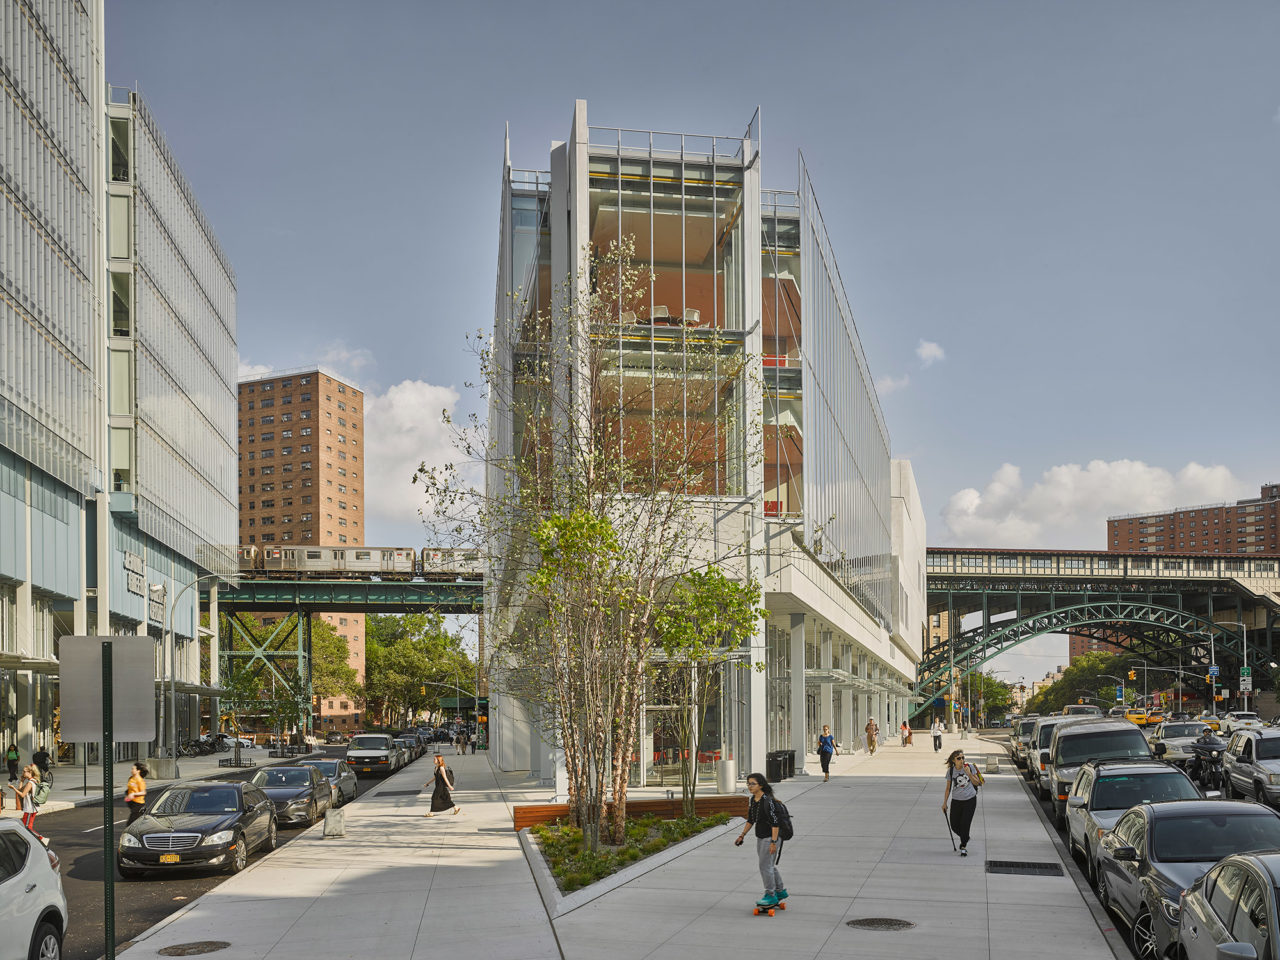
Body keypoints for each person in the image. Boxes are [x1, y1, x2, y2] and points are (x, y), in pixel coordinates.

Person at [733, 772, 788, 910]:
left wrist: (773, 842)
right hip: (762, 837)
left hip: (770, 837)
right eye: (748, 783)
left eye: (753, 784)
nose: (749, 786)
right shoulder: (754, 800)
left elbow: (775, 824)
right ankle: (780, 891)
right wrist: (742, 835)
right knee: (769, 865)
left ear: (761, 785)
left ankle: (770, 894)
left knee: (765, 867)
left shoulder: (767, 801)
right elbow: (751, 819)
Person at [942, 748, 983, 856]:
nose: (962, 760)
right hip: (956, 801)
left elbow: (978, 783)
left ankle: (963, 845)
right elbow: (948, 788)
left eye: (963, 757)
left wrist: (969, 774)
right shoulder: (951, 771)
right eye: (959, 758)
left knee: (965, 823)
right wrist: (944, 803)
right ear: (953, 760)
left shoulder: (970, 767)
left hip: (970, 800)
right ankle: (965, 837)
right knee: (954, 825)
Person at [11, 764, 44, 843]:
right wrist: (22, 781)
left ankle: (40, 839)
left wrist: (13, 788)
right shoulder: (32, 781)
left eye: (24, 771)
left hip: (30, 808)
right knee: (26, 826)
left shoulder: (30, 783)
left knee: (27, 828)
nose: (23, 773)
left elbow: (22, 794)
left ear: (30, 772)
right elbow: (21, 790)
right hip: (30, 808)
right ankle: (32, 841)